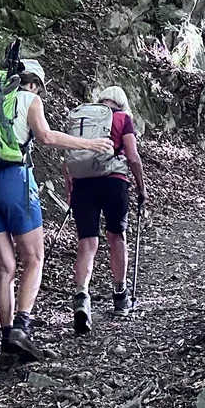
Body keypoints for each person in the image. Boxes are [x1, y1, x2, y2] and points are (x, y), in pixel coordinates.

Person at [0, 57, 111, 360]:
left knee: (5, 266)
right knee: (34, 257)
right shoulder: (28, 99)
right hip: (13, 181)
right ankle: (22, 327)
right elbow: (45, 137)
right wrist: (92, 145)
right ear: (33, 83)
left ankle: (6, 339)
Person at [62, 86, 145, 333]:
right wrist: (142, 187)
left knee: (87, 243)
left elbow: (68, 159)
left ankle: (81, 298)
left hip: (82, 186)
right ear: (122, 103)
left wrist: (70, 191)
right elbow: (132, 156)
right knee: (116, 237)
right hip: (113, 183)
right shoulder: (122, 119)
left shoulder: (83, 119)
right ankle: (120, 296)